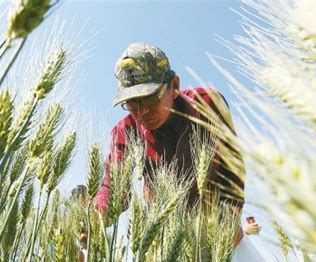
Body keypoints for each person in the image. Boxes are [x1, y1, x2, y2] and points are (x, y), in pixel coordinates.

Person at [94, 42, 245, 221]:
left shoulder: (209, 104)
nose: (142, 112)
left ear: (174, 86)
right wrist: (97, 217)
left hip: (215, 222)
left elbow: (232, 166)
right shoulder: (124, 131)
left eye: (150, 98)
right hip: (164, 229)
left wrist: (232, 217)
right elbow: (113, 187)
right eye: (132, 103)